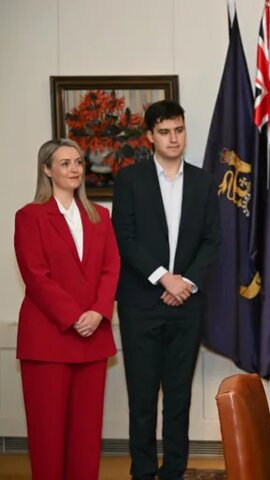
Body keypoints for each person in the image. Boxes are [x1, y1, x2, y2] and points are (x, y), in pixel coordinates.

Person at [112, 100, 221, 480]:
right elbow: (124, 238)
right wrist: (164, 277)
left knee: (179, 398)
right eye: (164, 132)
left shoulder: (204, 181)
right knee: (142, 398)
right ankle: (142, 472)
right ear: (150, 136)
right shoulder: (130, 179)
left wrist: (184, 282)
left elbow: (212, 240)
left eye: (178, 130)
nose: (173, 138)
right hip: (141, 304)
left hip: (186, 304)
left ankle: (174, 471)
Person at [14, 139, 120, 479]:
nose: (75, 169)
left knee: (86, 437)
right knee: (48, 436)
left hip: (93, 338)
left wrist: (98, 311)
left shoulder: (100, 216)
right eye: (65, 163)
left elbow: (111, 268)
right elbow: (36, 275)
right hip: (48, 341)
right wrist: (74, 317)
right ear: (47, 170)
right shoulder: (30, 216)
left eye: (78, 162)